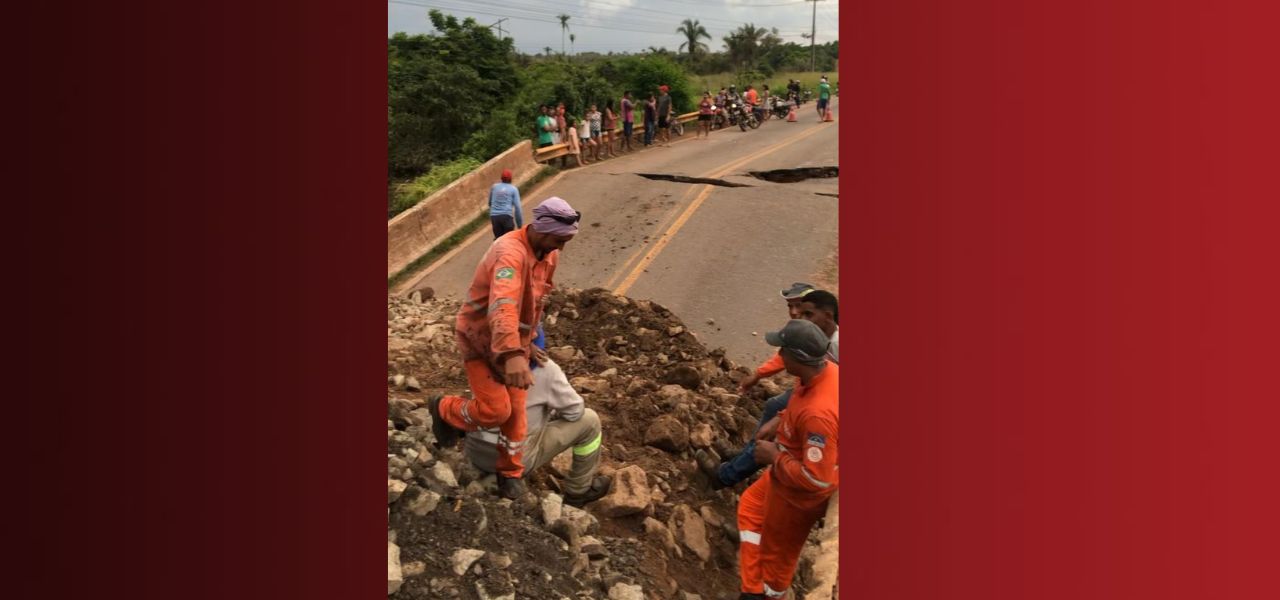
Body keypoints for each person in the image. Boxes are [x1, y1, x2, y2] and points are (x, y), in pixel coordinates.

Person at [428, 197, 582, 500]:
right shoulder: (509, 254)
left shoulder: (548, 253)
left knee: (516, 414)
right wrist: (512, 355)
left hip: (514, 342)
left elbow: (536, 298)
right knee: (496, 411)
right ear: (540, 229)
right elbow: (503, 304)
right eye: (558, 239)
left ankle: (509, 473)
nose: (561, 247)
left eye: (566, 241)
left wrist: (530, 340)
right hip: (479, 338)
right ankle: (444, 408)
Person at [734, 319, 839, 600]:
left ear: (798, 357)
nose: (779, 356)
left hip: (798, 496)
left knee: (778, 556)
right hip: (782, 478)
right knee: (751, 506)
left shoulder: (819, 415)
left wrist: (774, 456)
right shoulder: (822, 373)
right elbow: (799, 404)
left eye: (783, 351)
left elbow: (816, 479)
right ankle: (753, 588)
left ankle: (768, 592)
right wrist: (780, 420)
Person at [697, 288, 839, 489]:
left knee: (780, 435)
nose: (797, 314)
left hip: (824, 409)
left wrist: (777, 452)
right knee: (774, 407)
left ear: (828, 316)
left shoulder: (835, 348)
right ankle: (746, 454)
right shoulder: (817, 354)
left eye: (807, 313)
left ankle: (726, 475)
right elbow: (792, 361)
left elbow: (817, 478)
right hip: (814, 394)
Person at [464, 325, 612, 506]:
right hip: (514, 457)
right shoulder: (545, 369)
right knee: (590, 421)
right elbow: (575, 412)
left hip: (476, 451)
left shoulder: (482, 360)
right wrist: (549, 408)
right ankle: (578, 492)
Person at [487, 168, 523, 238]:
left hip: (494, 217)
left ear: (501, 178)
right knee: (509, 240)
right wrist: (519, 225)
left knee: (499, 240)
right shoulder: (513, 189)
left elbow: (489, 203)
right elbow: (518, 208)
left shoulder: (494, 187)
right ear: (511, 179)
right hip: (507, 217)